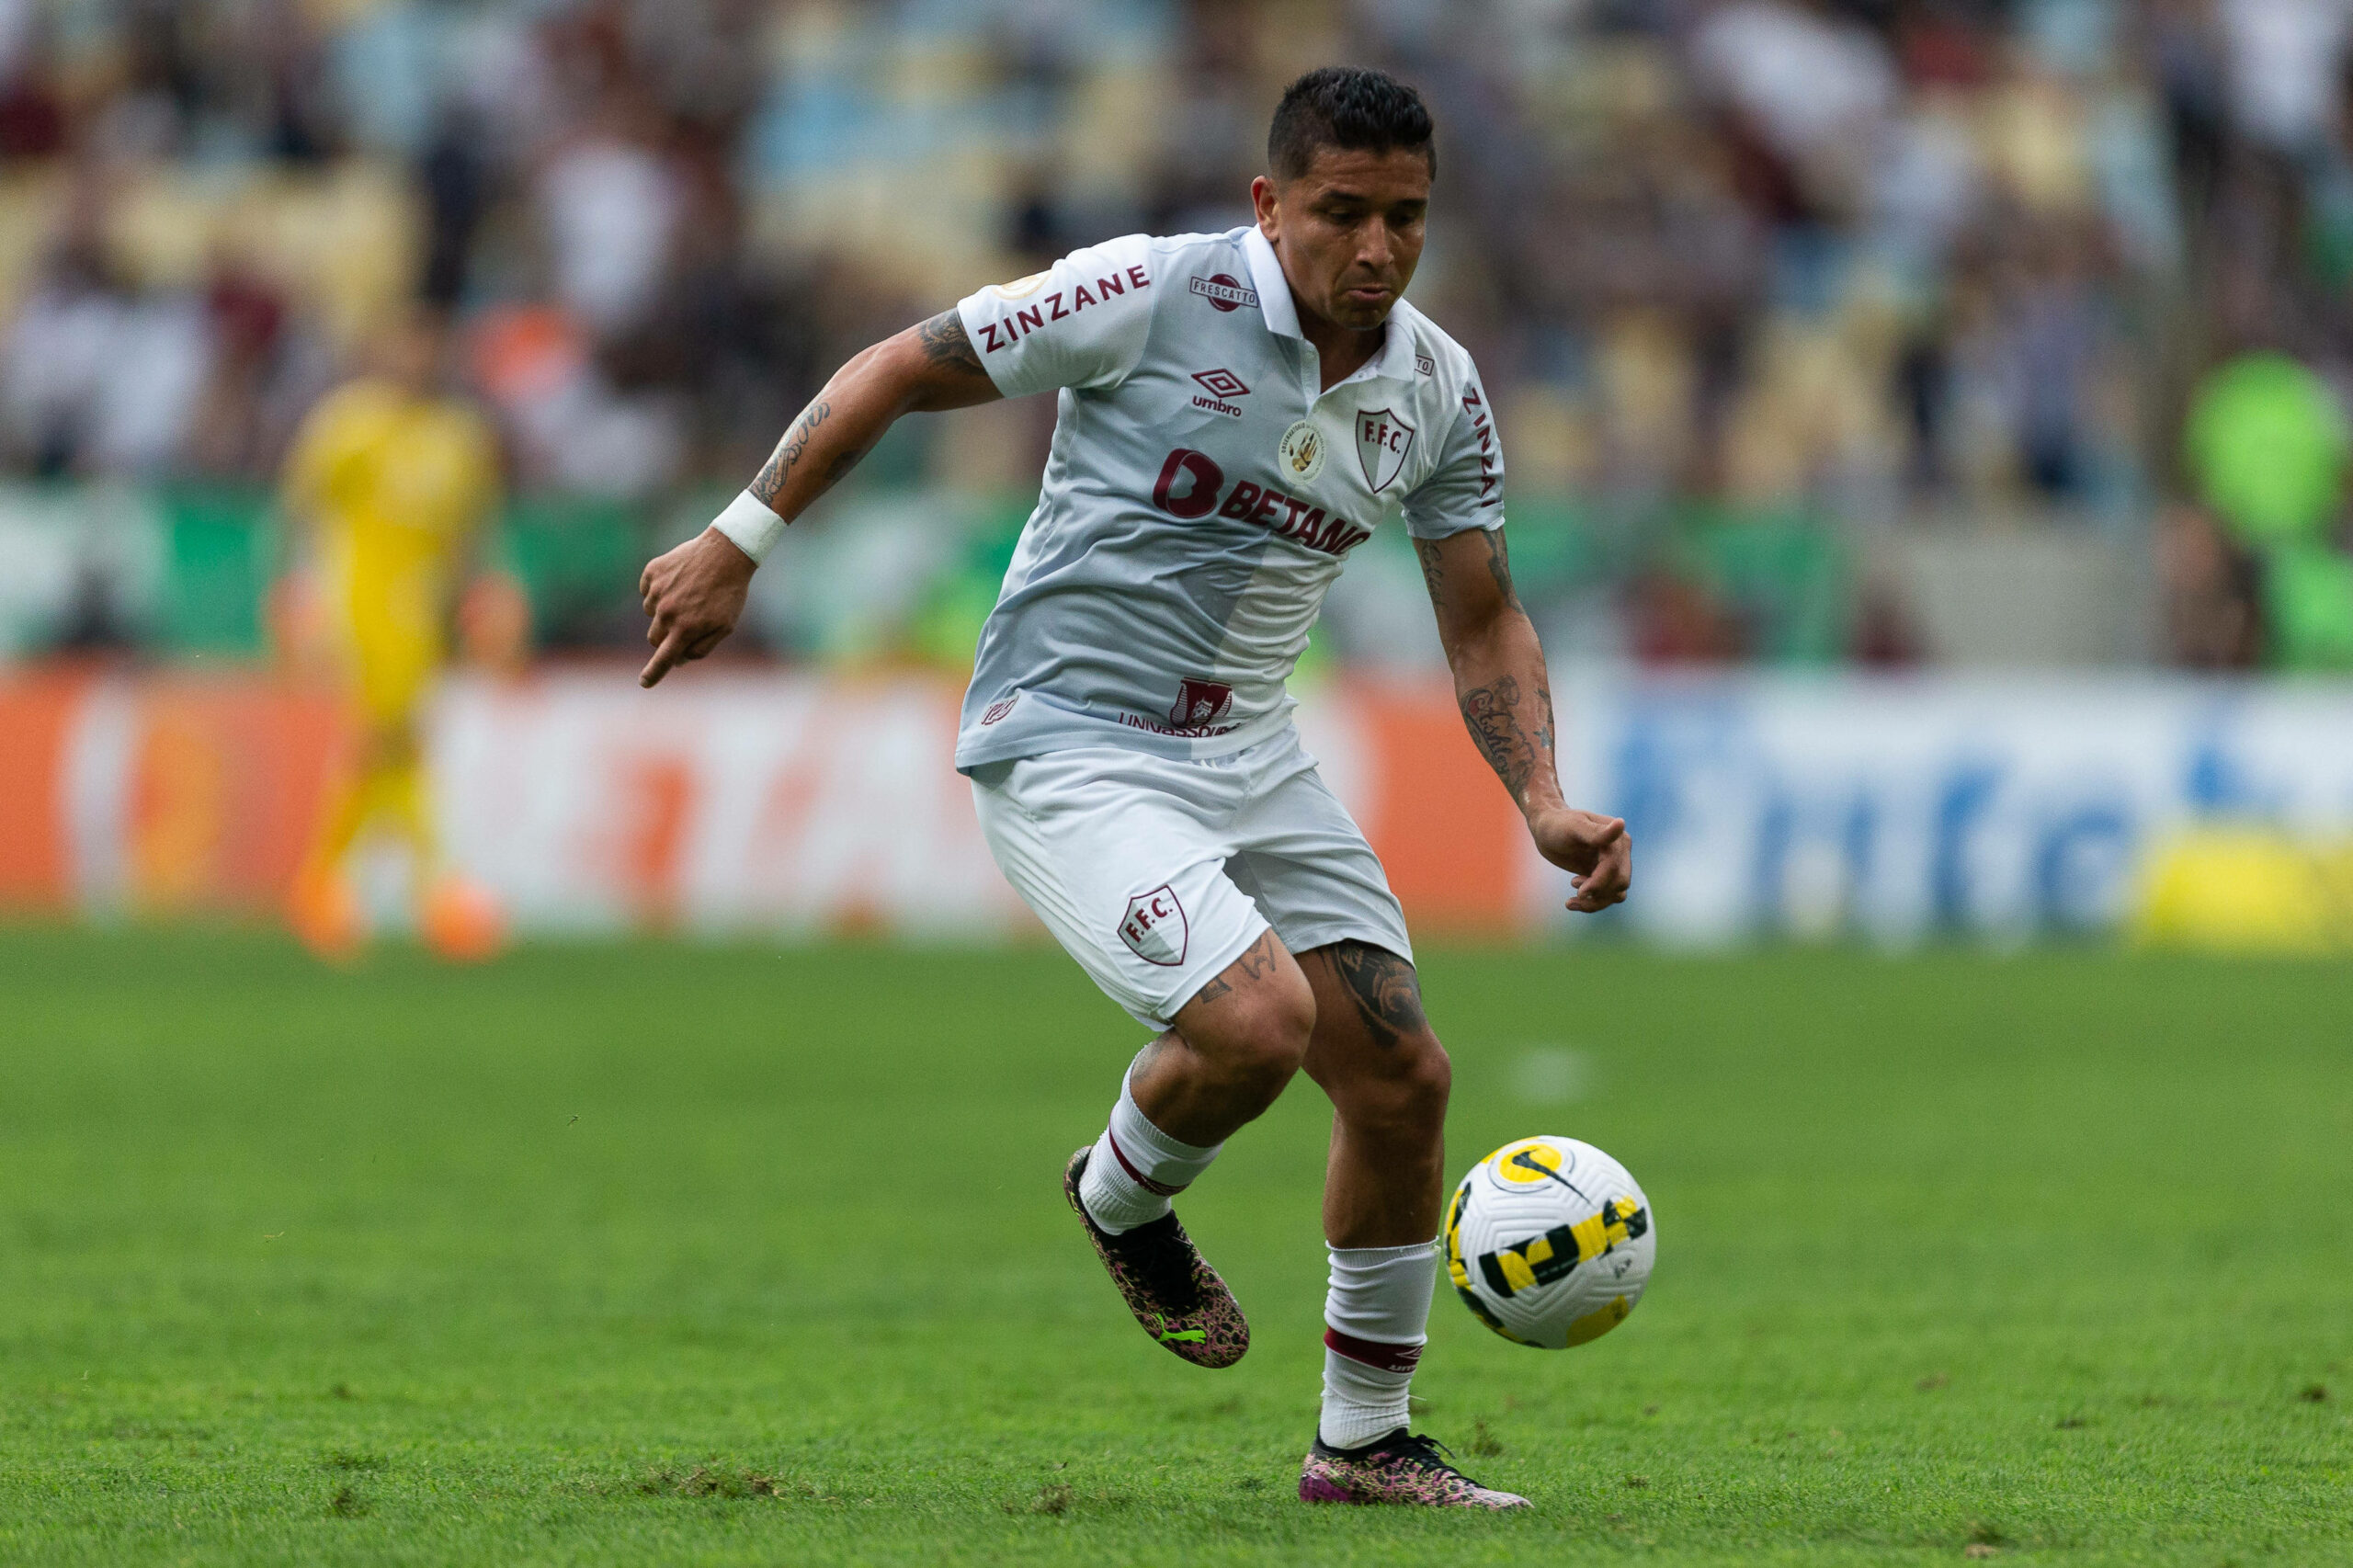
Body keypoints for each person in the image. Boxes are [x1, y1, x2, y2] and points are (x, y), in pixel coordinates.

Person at [637, 67, 1631, 1509]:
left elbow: (1482, 613)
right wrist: (740, 536)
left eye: (1405, 218)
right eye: (1341, 213)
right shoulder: (1149, 293)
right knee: (1256, 1018)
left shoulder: (1437, 388)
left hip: (1251, 747)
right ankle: (1120, 1194)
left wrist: (1541, 799)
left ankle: (1363, 1444)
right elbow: (907, 361)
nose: (1375, 248)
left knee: (1405, 1076)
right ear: (1266, 205)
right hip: (1072, 735)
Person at [280, 306, 512, 962]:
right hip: (356, 606)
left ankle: (324, 881)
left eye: (427, 345)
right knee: (392, 737)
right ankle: (435, 891)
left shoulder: (459, 437)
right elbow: (298, 511)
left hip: (422, 615)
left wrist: (479, 599)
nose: (416, 358)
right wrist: (293, 597)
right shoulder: (348, 426)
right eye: (405, 344)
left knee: (390, 745)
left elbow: (472, 530)